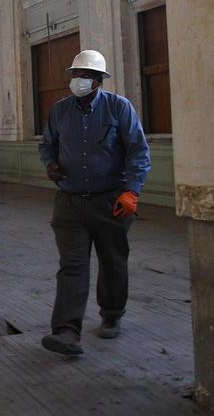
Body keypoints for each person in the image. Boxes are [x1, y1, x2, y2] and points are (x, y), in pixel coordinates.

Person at [38, 49, 151, 356]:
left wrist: (132, 191)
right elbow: (47, 145)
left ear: (99, 80)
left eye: (86, 76)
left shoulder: (119, 108)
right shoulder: (60, 111)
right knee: (72, 266)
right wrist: (50, 164)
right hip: (70, 202)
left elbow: (138, 152)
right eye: (75, 75)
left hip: (111, 201)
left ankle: (111, 316)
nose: (79, 81)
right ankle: (66, 332)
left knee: (113, 262)